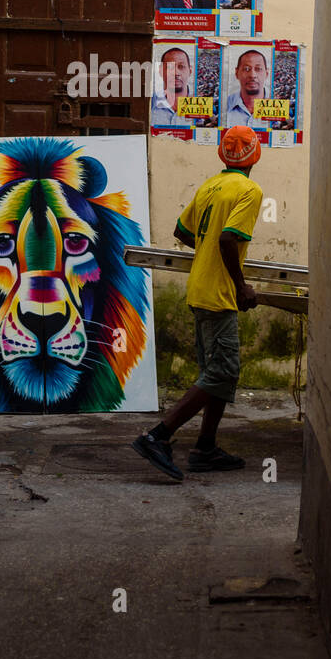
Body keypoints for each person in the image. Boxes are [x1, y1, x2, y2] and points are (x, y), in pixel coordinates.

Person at [131, 126, 262, 480]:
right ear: (256, 155)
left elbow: (181, 232)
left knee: (216, 375)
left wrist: (205, 256)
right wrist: (241, 285)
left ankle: (205, 448)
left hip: (198, 290)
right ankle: (157, 436)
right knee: (222, 372)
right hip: (219, 294)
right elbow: (229, 238)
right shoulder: (249, 190)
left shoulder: (210, 186)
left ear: (222, 154)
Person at [225, 49, 270, 129]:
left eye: (258, 69)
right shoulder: (224, 105)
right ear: (237, 73)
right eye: (246, 69)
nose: (252, 75)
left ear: (266, 74)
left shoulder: (279, 105)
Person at [150, 46, 193, 126]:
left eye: (181, 67)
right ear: (161, 71)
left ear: (190, 71)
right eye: (170, 67)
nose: (176, 73)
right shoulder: (149, 103)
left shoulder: (202, 103)